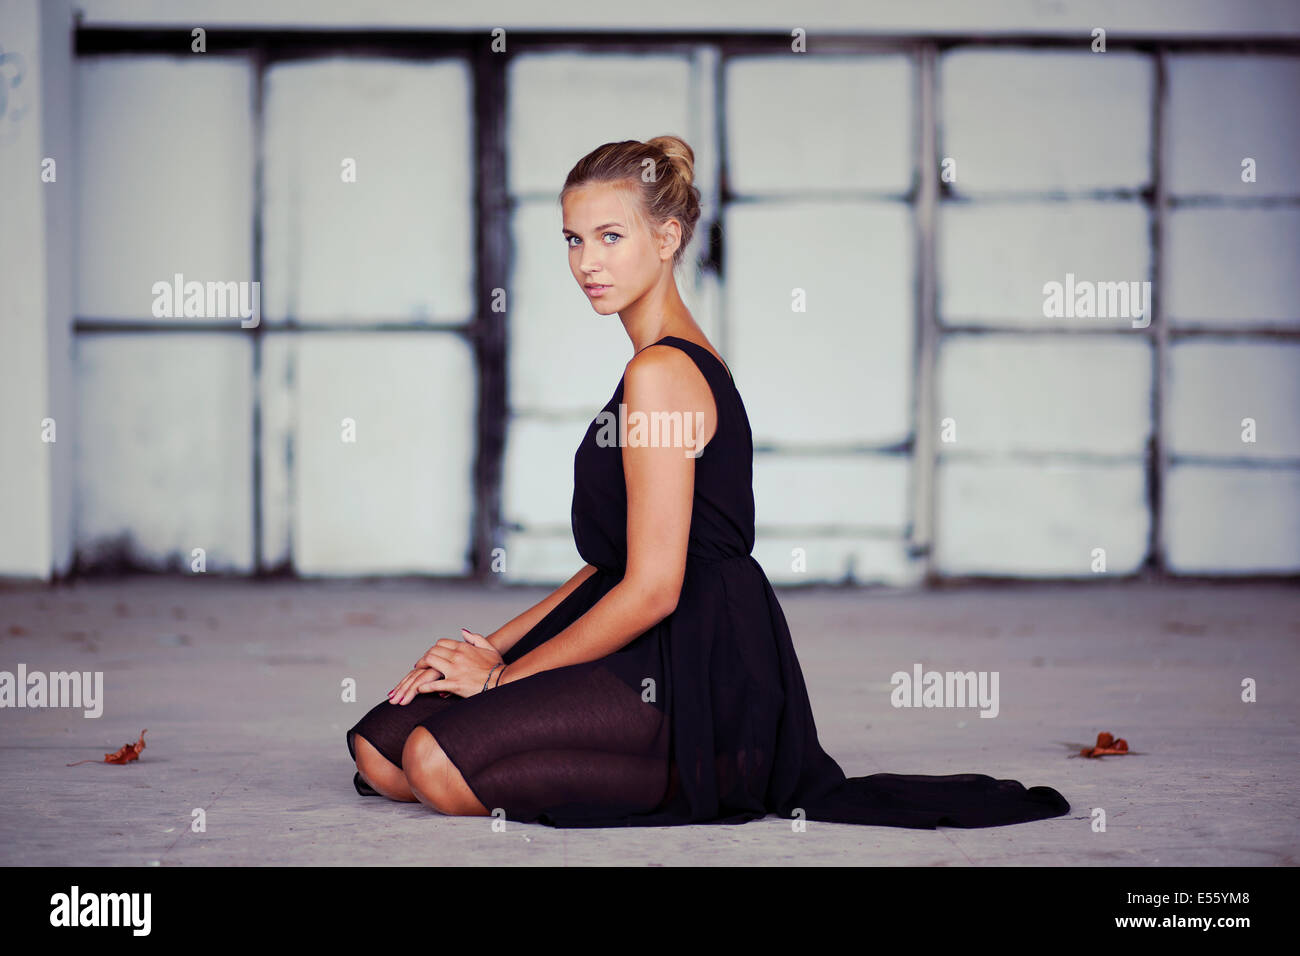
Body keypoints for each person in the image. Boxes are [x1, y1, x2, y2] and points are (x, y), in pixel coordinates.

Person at [345, 135, 1071, 829]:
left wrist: (504, 683)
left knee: (433, 765)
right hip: (647, 624)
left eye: (610, 236)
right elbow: (615, 566)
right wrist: (493, 648)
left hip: (697, 659)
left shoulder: (661, 372)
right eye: (573, 239)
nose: (586, 262)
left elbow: (655, 586)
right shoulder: (657, 364)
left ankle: (717, 770)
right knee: (379, 753)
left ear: (666, 240)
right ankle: (634, 755)